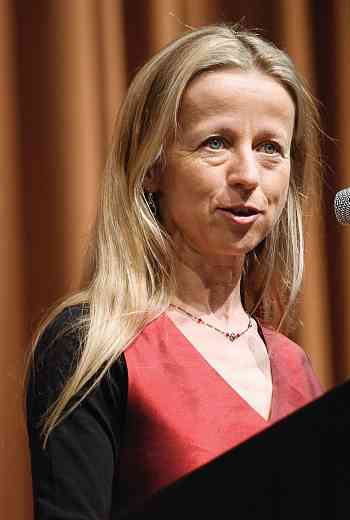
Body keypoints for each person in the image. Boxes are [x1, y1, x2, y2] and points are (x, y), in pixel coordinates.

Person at [26, 24, 323, 519]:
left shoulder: (294, 367)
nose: (248, 174)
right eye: (216, 143)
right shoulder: (92, 345)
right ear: (152, 166)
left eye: (271, 147)